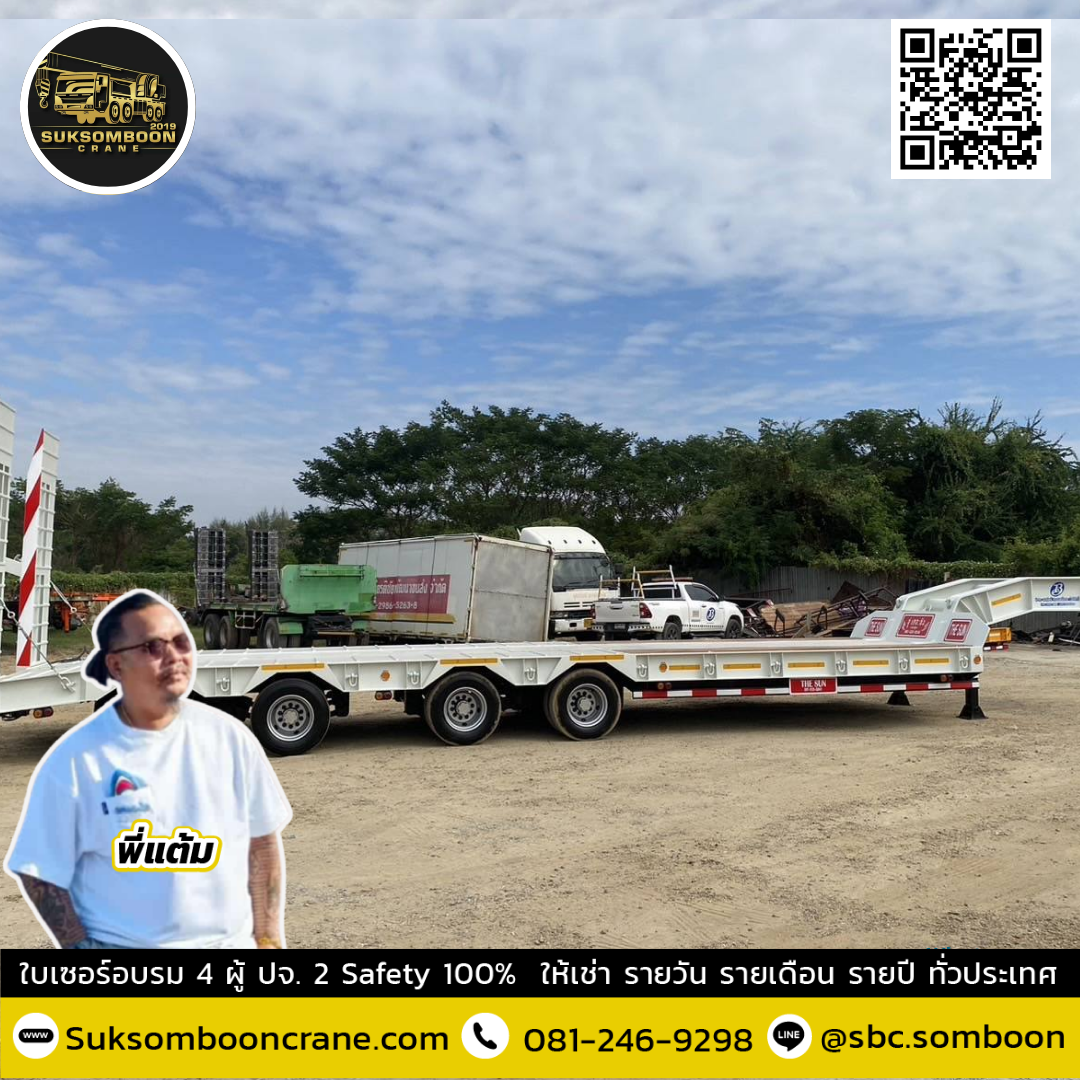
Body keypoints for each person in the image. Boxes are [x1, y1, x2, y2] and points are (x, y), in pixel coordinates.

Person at [4, 590, 292, 949]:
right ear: (115, 665)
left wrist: (268, 939)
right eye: (152, 646)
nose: (174, 656)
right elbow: (38, 868)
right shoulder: (77, 760)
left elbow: (261, 842)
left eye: (181, 642)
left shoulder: (230, 738)